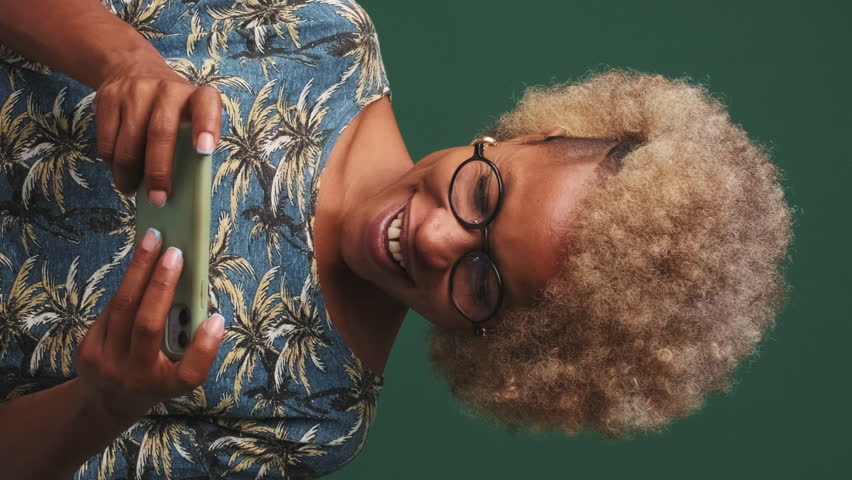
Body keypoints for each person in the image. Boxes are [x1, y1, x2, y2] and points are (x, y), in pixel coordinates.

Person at [0, 0, 793, 478]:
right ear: (528, 135)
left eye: (483, 284)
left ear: (508, 351)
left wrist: (101, 407)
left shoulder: (311, 422)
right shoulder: (320, 34)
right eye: (484, 194)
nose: (437, 237)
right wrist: (118, 55)